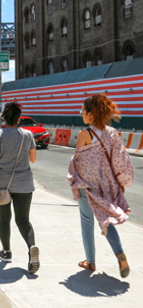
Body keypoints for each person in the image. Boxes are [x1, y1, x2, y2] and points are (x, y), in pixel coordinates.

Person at [68, 93, 133, 277]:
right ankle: (119, 254)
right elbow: (120, 160)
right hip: (108, 187)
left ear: (90, 114)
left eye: (82, 111)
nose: (81, 114)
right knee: (106, 221)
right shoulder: (112, 133)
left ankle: (90, 261)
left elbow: (79, 163)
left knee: (87, 222)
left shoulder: (84, 134)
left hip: (88, 188)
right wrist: (120, 182)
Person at [0, 102, 39, 274]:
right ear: (19, 118)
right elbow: (33, 159)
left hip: (2, 184)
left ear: (4, 118)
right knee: (23, 220)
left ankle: (6, 252)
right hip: (24, 184)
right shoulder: (27, 135)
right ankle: (32, 248)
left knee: (4, 218)